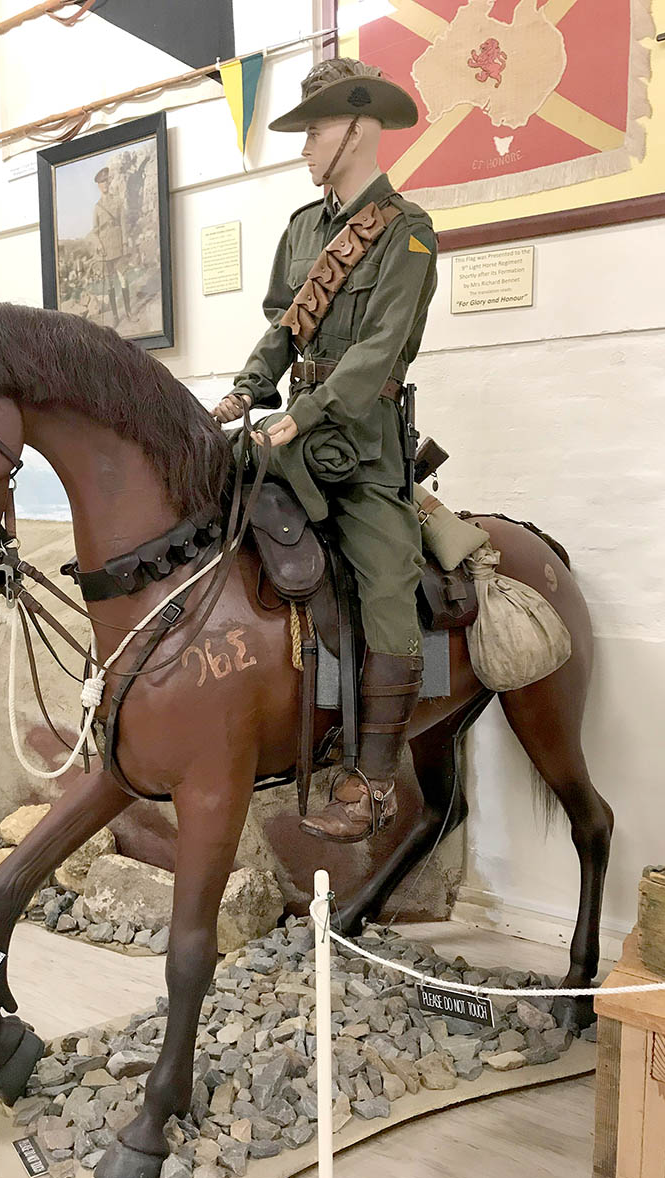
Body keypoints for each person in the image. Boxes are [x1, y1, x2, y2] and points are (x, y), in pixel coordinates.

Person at [212, 58, 438, 843]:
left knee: (386, 583)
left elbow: (380, 352)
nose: (305, 144)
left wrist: (302, 415)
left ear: (356, 125)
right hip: (293, 434)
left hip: (362, 449)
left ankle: (373, 779)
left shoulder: (407, 230)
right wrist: (245, 391)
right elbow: (283, 330)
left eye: (314, 128)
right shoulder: (304, 229)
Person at [91, 165, 131, 325]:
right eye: (102, 183)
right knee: (110, 283)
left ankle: (128, 312)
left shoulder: (117, 201)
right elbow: (94, 231)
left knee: (124, 279)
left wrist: (125, 242)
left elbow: (123, 223)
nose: (105, 185)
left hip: (118, 247)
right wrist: (99, 244)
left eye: (106, 181)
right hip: (106, 250)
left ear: (109, 182)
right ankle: (115, 317)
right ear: (98, 186)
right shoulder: (97, 207)